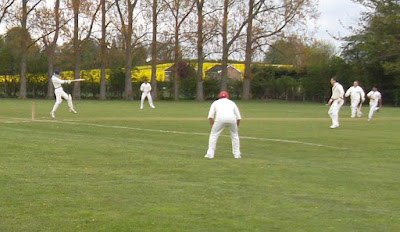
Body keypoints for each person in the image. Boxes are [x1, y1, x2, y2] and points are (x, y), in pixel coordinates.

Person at [205, 91, 242, 159]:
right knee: (235, 136)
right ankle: (237, 154)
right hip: (232, 119)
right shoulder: (232, 103)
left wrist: (212, 126)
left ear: (219, 96)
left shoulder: (216, 102)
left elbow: (210, 116)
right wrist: (236, 127)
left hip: (220, 119)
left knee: (213, 135)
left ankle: (210, 154)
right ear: (228, 96)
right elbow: (238, 117)